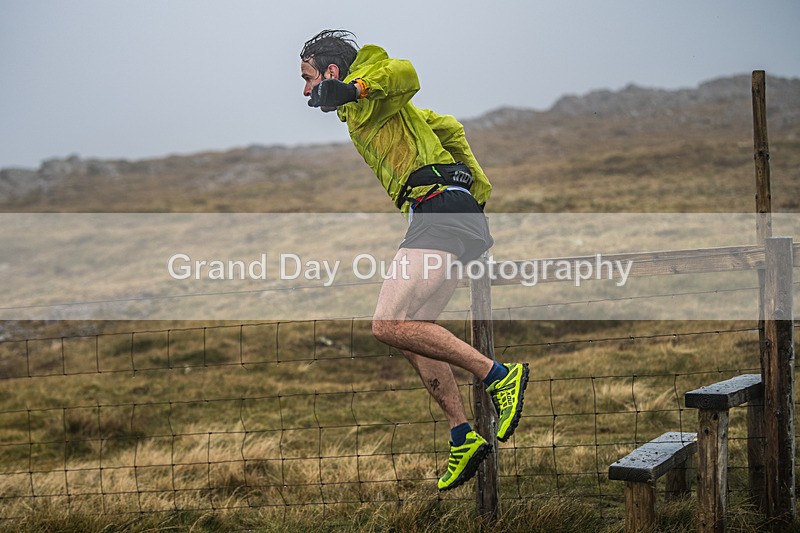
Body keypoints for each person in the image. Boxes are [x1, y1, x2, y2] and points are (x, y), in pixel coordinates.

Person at [299, 29, 529, 491]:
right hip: (448, 210)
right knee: (412, 333)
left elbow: (404, 74)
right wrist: (476, 190)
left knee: (385, 325)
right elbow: (447, 128)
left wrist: (354, 88)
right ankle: (463, 434)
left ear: (330, 71)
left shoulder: (371, 83)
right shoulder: (374, 113)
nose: (305, 90)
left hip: (440, 209)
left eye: (307, 78)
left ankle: (500, 376)